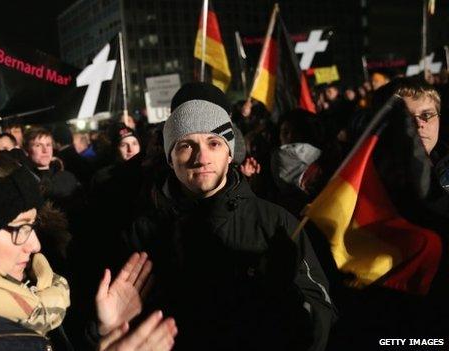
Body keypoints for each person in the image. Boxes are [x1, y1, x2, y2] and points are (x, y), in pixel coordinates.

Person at [122, 84, 336, 350]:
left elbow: (321, 311)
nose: (201, 158)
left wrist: (289, 307)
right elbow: (124, 321)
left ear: (229, 152)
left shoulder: (275, 222)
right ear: (170, 157)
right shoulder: (142, 232)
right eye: (186, 145)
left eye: (214, 143)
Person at [0, 152, 176, 351]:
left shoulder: (24, 297)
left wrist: (105, 334)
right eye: (20, 227)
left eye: (33, 225)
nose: (35, 245)